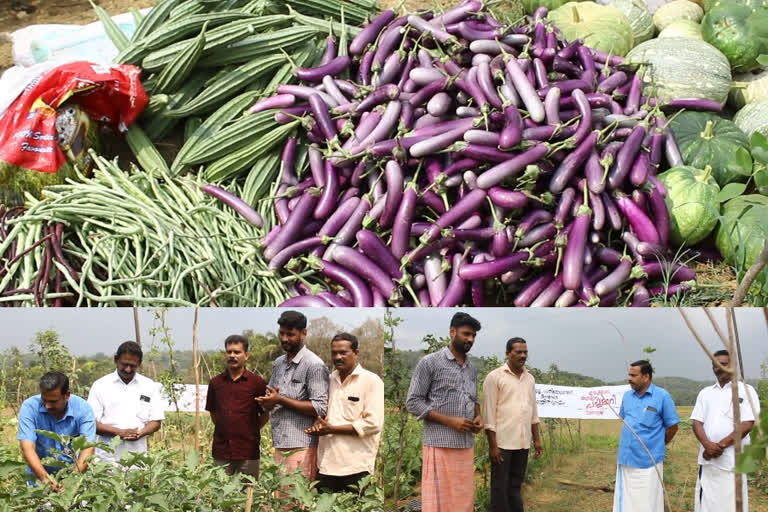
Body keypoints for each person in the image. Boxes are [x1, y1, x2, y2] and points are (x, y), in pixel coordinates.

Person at [405, 312, 483, 512]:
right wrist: (450, 421)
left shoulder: (471, 369)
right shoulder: (430, 363)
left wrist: (478, 416)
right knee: (438, 503)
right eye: (466, 334)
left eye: (473, 336)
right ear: (452, 332)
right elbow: (413, 402)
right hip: (439, 444)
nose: (470, 339)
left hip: (465, 446)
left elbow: (473, 399)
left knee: (462, 501)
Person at [306, 333, 385, 493]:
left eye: (343, 352)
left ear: (356, 353)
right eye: (334, 353)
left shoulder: (371, 381)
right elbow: (321, 414)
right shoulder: (328, 380)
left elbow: (373, 424)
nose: (338, 357)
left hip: (356, 467)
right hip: (326, 466)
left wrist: (332, 429)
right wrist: (317, 424)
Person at [256, 310, 329, 480]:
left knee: (296, 501)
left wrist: (280, 399)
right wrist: (267, 402)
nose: (284, 339)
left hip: (302, 445)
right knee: (280, 500)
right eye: (281, 333)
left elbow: (320, 407)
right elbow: (272, 395)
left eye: (290, 334)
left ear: (304, 333)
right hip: (280, 441)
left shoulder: (314, 365)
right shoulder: (279, 363)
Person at [691, 349, 761, 512]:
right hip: (708, 461)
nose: (718, 368)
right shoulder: (705, 393)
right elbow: (697, 422)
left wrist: (719, 446)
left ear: (733, 365)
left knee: (732, 504)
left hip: (733, 461)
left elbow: (747, 424)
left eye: (723, 364)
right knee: (706, 503)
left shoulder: (746, 390)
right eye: (715, 365)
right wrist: (708, 445)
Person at [482, 337, 542, 512]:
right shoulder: (495, 377)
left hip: (523, 443)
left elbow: (533, 412)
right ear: (508, 353)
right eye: (518, 352)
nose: (523, 355)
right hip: (502, 444)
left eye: (525, 352)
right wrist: (493, 446)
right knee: (499, 489)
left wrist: (536, 440)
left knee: (515, 486)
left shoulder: (529, 378)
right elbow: (489, 415)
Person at [613, 360, 680, 512]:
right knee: (625, 501)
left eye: (633, 375)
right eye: (629, 375)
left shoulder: (662, 396)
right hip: (626, 459)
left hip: (649, 462)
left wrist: (657, 445)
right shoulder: (627, 396)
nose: (629, 378)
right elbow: (626, 420)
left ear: (646, 377)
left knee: (647, 502)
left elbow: (673, 427)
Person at [87, 341, 164, 465]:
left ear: (139, 363)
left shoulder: (149, 386)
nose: (128, 369)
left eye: (133, 365)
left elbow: (156, 421)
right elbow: (91, 422)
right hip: (106, 459)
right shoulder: (100, 385)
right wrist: (119, 433)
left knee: (137, 484)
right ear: (116, 360)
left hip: (137, 458)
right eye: (124, 364)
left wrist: (141, 433)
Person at [17, 371, 96, 489]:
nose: (47, 405)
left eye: (53, 401)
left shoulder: (82, 408)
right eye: (44, 400)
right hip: (38, 478)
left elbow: (88, 448)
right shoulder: (30, 407)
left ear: (67, 395)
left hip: (73, 474)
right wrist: (46, 480)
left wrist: (72, 481)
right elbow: (27, 448)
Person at [205, 334, 268, 478]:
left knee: (247, 495)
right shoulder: (215, 383)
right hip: (221, 451)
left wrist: (248, 430)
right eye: (229, 352)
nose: (232, 355)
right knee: (220, 493)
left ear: (246, 355)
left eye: (237, 352)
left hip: (248, 451)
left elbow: (265, 414)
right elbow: (214, 414)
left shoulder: (257, 383)